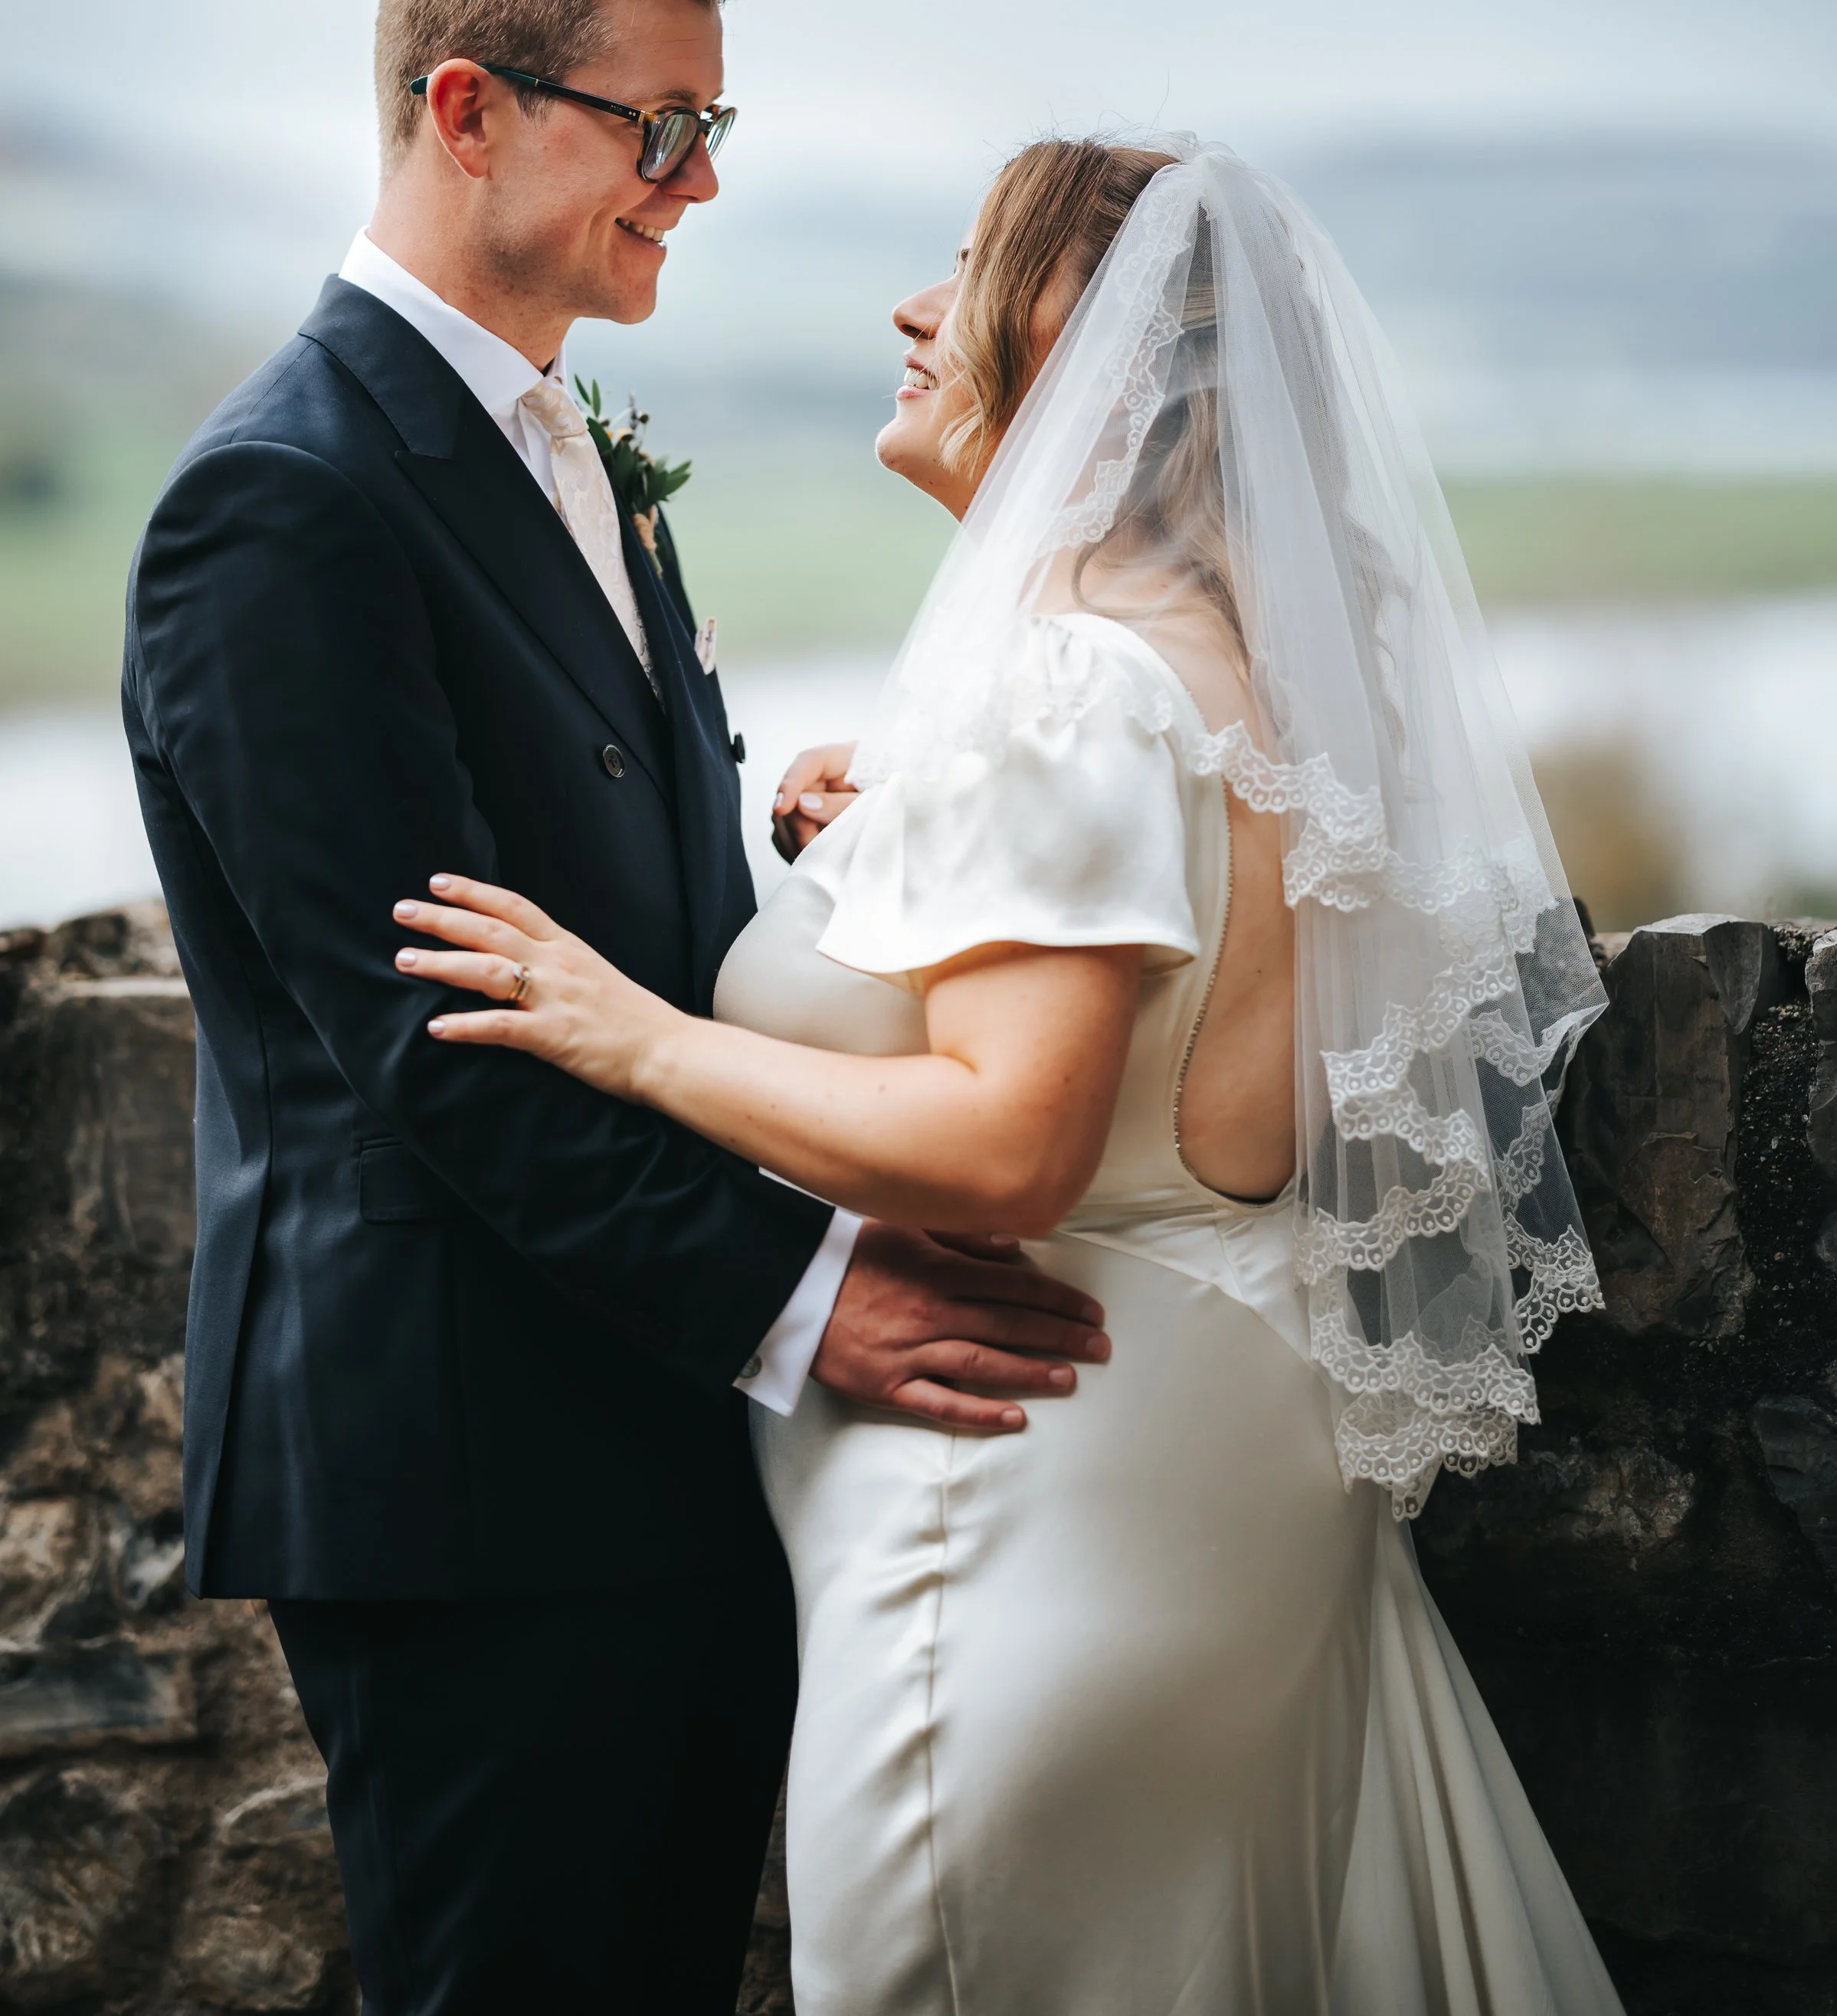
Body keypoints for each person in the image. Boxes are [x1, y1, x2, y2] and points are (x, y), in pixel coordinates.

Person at [399, 134, 1631, 2014]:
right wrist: (898, 835)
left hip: (1021, 1510)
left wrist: (635, 1036)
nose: (912, 309)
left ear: (1099, 353)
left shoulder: (1071, 683)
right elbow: (1163, 1013)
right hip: (1203, 1461)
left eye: (969, 264)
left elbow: (1010, 1142)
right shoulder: (1239, 668)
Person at [121, 0, 1109, 2016]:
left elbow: (613, 927)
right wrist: (806, 1290)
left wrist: (831, 854)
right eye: (656, 128)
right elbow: (429, 1029)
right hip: (470, 1468)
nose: (697, 182)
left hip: (628, 1424)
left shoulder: (574, 457)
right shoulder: (282, 499)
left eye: (713, 133)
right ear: (467, 108)